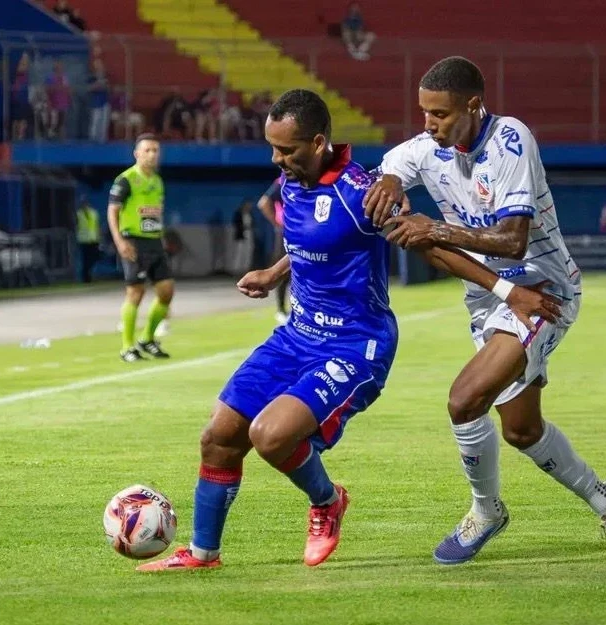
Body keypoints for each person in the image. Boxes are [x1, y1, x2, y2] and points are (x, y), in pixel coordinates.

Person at [136, 89, 555, 572]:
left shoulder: (363, 194)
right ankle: (203, 554)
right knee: (219, 436)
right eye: (273, 149)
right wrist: (274, 273)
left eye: (286, 150)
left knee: (271, 436)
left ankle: (328, 502)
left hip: (356, 345)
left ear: (318, 143)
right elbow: (312, 243)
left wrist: (507, 291)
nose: (277, 160)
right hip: (297, 335)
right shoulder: (292, 178)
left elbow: (431, 248)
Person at [365, 56, 606, 563]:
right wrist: (387, 181)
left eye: (441, 113)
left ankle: (486, 511)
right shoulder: (425, 148)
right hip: (489, 297)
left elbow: (513, 240)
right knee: (521, 430)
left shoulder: (511, 139)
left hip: (541, 291)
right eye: (424, 112)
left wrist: (435, 228)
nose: (429, 123)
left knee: (464, 400)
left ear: (473, 105)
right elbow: (391, 169)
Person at [107, 133, 173, 362]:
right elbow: (112, 210)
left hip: (154, 240)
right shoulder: (126, 180)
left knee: (166, 291)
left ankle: (147, 338)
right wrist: (119, 241)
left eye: (155, 150)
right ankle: (127, 347)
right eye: (147, 150)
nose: (152, 154)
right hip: (133, 240)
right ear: (137, 153)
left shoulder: (157, 181)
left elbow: (156, 212)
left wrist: (161, 237)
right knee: (136, 292)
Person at [256, 175, 289, 324]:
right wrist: (277, 224)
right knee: (284, 272)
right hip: (286, 233)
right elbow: (263, 203)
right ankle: (281, 310)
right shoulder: (284, 181)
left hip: (301, 233)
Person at [75, 196, 101, 283]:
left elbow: (97, 225)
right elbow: (76, 225)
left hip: (93, 239)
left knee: (94, 257)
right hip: (83, 240)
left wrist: (99, 237)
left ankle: (88, 274)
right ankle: (86, 277)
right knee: (85, 259)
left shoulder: (94, 213)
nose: (84, 205)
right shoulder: (78, 214)